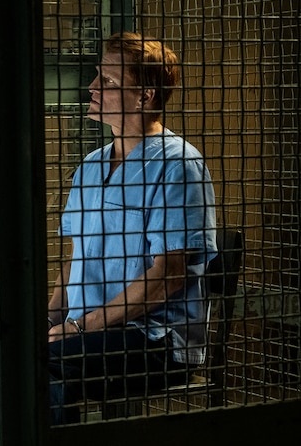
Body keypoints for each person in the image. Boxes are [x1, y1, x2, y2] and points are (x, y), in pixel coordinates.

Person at [47, 32, 217, 424]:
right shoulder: (91, 165)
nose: (90, 88)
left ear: (145, 95)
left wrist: (77, 327)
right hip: (88, 332)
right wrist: (51, 320)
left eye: (107, 82)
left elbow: (168, 277)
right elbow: (79, 259)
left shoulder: (178, 165)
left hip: (154, 340)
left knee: (39, 369)